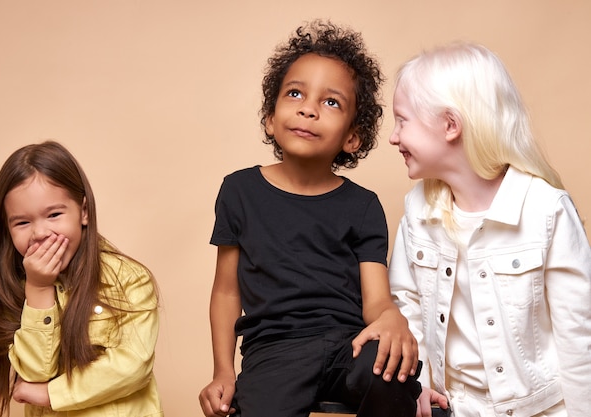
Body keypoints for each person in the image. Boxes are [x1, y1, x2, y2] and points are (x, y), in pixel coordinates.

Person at [198, 20, 422, 417]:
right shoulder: (239, 191)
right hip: (274, 351)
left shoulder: (364, 205)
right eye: (295, 93)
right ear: (270, 117)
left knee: (390, 375)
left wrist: (391, 319)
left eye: (331, 102)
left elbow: (376, 300)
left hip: (349, 345)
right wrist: (222, 371)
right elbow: (227, 292)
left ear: (352, 137)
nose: (308, 108)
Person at [387, 41, 591, 417]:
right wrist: (417, 386)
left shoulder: (546, 210)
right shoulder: (418, 209)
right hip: (453, 409)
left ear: (450, 125)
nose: (393, 137)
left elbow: (578, 336)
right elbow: (406, 306)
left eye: (402, 120)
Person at [0, 141, 163, 417]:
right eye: (22, 222)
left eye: (54, 215)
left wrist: (51, 394)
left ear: (83, 212)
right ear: (7, 228)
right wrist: (38, 289)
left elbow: (133, 365)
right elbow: (34, 374)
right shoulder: (13, 287)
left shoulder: (130, 280)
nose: (40, 233)